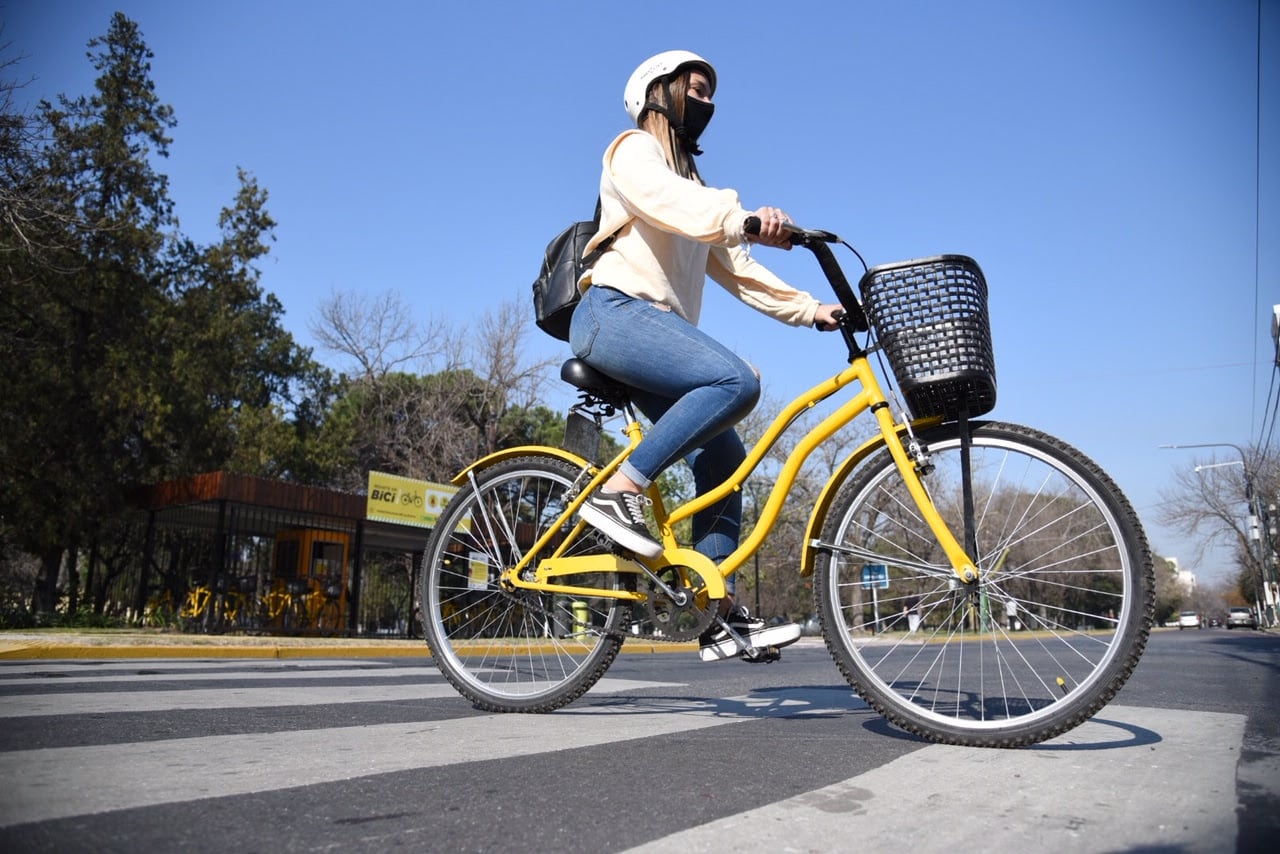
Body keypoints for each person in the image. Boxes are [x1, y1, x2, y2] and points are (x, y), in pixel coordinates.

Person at [570, 50, 843, 663]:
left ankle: (715, 610)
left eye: (712, 95)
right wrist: (739, 217)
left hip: (652, 332)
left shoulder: (694, 192)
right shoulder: (631, 151)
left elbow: (740, 270)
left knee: (724, 451)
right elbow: (670, 202)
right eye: (697, 90)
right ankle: (620, 492)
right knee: (736, 381)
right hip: (612, 315)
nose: (708, 105)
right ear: (659, 94)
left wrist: (813, 308)